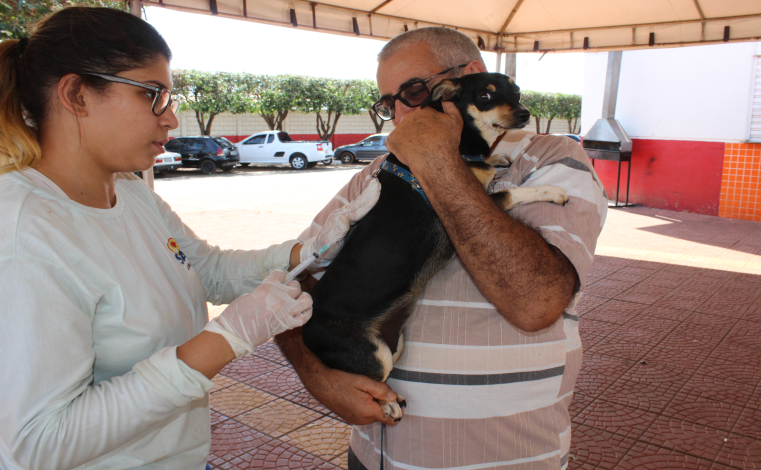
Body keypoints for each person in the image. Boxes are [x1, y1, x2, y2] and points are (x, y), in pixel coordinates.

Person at [0, 7, 379, 470]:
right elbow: (39, 442)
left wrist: (315, 249)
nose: (172, 120)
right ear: (77, 94)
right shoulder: (25, 232)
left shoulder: (131, 193)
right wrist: (225, 339)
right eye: (152, 95)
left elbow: (207, 270)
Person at [277, 27, 608, 469]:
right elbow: (289, 280)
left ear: (471, 76)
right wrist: (317, 377)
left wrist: (437, 160)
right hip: (373, 456)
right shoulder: (377, 174)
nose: (399, 114)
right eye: (387, 103)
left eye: (412, 92)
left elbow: (536, 302)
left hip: (506, 458)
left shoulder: (553, 160)